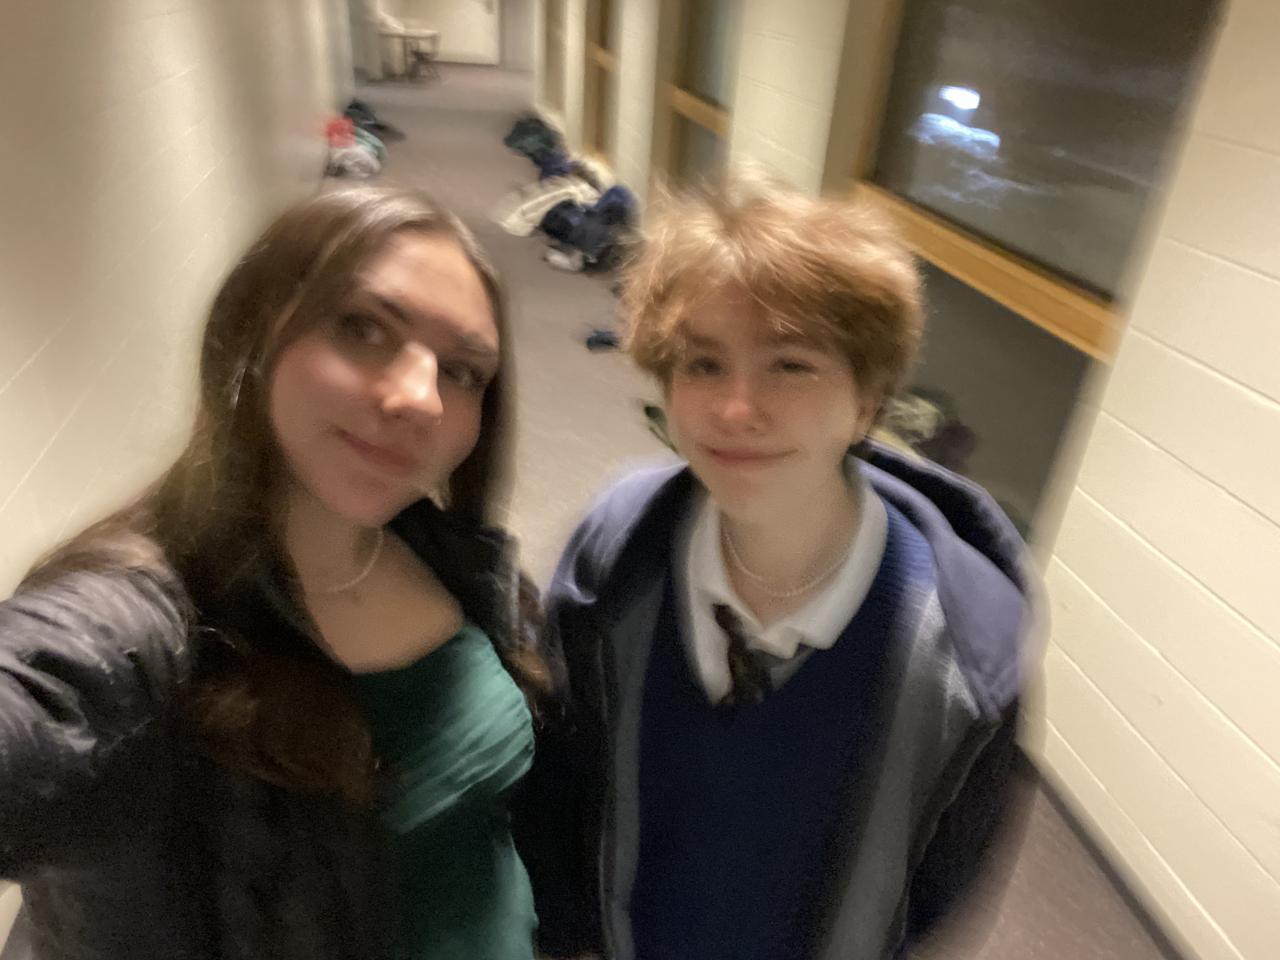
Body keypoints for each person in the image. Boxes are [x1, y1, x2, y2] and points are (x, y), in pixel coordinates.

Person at [0, 186, 557, 960]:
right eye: (364, 328)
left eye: (462, 371)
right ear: (253, 331)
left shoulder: (448, 554)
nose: (420, 398)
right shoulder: (141, 624)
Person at [523, 178, 1037, 960]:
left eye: (790, 365)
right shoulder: (612, 566)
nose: (737, 409)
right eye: (703, 364)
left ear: (866, 403)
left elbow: (938, 894)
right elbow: (565, 790)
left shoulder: (962, 658)